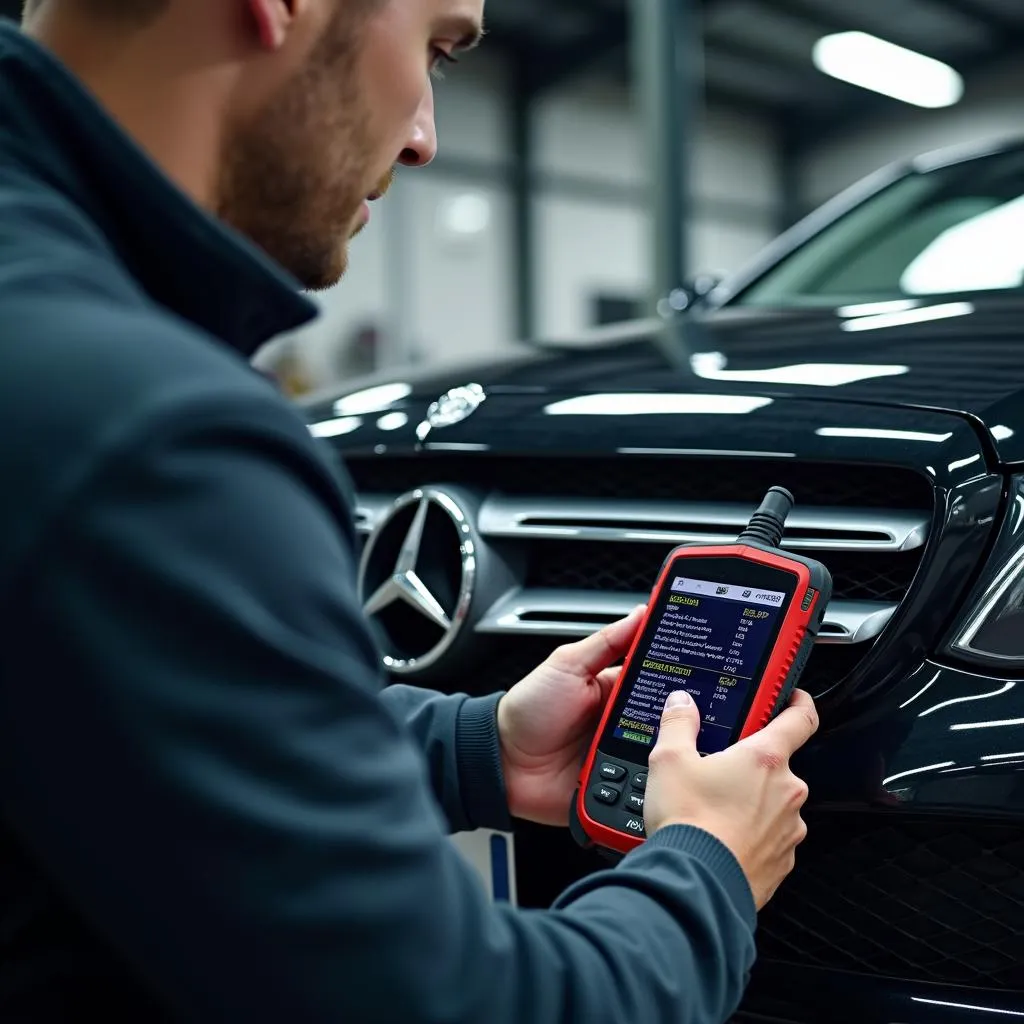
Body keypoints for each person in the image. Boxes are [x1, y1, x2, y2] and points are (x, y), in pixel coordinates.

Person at [0, 1, 819, 1020]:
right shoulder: (146, 428)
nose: (426, 136)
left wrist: (472, 748)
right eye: (435, 46)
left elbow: (102, 726)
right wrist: (708, 870)